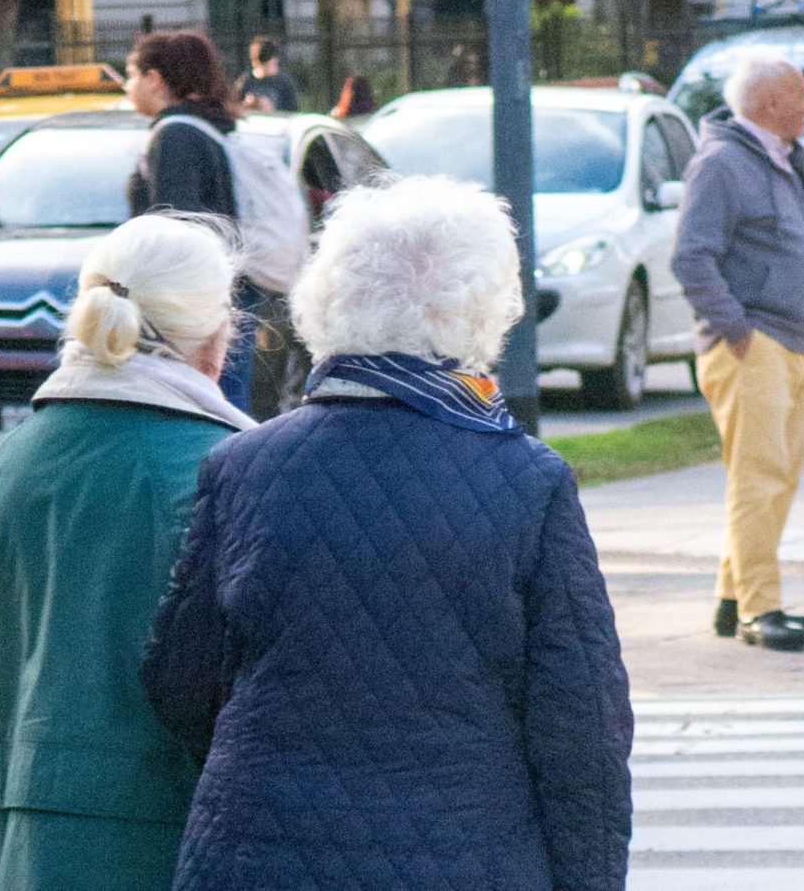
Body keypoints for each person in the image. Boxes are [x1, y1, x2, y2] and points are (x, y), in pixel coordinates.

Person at [141, 175, 633, 890]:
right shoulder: (529, 482)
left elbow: (180, 683)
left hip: (259, 853)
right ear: (485, 311)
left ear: (328, 299)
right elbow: (582, 725)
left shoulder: (241, 467)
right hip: (466, 853)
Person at [0, 215, 255, 891]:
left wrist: (0, 813)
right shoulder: (227, 474)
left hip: (25, 832)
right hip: (180, 837)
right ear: (217, 337)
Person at [671, 55, 804, 652]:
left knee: (778, 478)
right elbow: (691, 257)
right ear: (768, 104)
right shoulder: (721, 164)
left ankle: (732, 598)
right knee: (757, 479)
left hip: (798, 341)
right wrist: (735, 328)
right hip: (753, 344)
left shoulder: (789, 159)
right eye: (801, 93)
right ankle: (762, 610)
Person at [125, 29, 261, 412]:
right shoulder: (210, 126)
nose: (128, 86)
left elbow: (174, 228)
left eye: (133, 75)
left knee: (196, 412)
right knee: (225, 409)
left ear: (155, 79)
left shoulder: (175, 136)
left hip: (188, 307)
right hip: (227, 294)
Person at [236, 36, 300, 113]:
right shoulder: (245, 81)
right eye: (271, 64)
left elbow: (292, 113)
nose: (275, 65)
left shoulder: (284, 82)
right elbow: (233, 109)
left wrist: (271, 109)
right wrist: (247, 105)